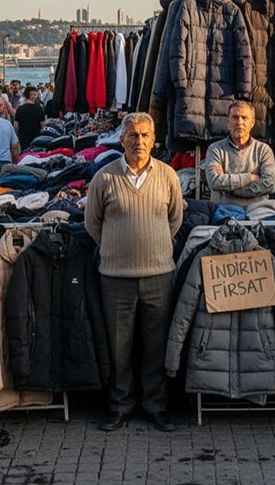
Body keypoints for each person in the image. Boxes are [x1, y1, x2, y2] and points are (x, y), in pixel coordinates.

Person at [84, 113, 184, 433]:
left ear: (153, 140)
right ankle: (120, 406)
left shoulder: (168, 176)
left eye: (144, 135)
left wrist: (152, 246)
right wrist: (116, 249)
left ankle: (155, 406)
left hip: (158, 275)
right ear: (122, 140)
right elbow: (93, 224)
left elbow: (175, 219)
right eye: (132, 135)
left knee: (155, 347)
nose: (138, 141)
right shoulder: (104, 178)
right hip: (116, 278)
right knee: (118, 348)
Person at [203, 100, 275, 215]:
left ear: (252, 123)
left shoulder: (263, 150)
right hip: (225, 212)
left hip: (258, 213)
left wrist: (238, 191)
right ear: (228, 122)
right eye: (235, 117)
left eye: (244, 118)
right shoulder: (215, 149)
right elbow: (215, 182)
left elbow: (269, 184)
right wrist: (251, 177)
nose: (239, 122)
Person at [13, 86, 46, 150]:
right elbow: (43, 125)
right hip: (36, 137)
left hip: (23, 136)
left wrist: (16, 136)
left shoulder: (20, 109)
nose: (34, 96)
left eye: (35, 94)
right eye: (33, 94)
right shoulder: (39, 108)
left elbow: (16, 125)